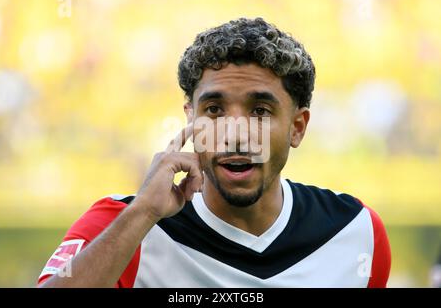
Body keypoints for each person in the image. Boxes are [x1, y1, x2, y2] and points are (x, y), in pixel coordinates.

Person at [38, 17, 391, 288]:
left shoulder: (356, 231)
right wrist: (143, 212)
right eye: (215, 110)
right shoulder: (121, 223)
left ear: (297, 127)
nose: (235, 135)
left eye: (260, 111)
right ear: (190, 118)